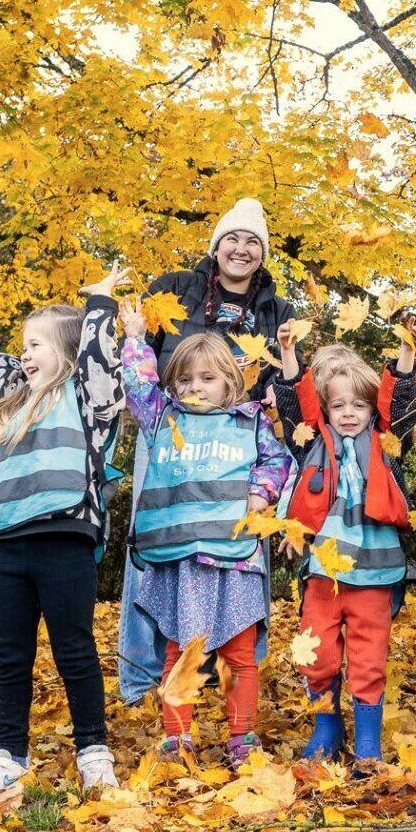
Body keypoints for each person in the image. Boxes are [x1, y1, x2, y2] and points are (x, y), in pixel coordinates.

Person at [119, 198, 295, 706]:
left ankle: (235, 666)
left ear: (262, 253)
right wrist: (133, 341)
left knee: (235, 558)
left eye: (253, 242)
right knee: (157, 553)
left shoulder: (276, 311)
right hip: (172, 443)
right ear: (216, 246)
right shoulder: (176, 288)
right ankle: (142, 677)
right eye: (232, 239)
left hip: (236, 447)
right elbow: (142, 375)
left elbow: (285, 383)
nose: (241, 249)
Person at [0, 266, 128, 796]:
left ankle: (93, 750)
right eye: (23, 345)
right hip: (11, 543)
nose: (23, 354)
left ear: (68, 351)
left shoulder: (88, 398)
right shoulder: (16, 401)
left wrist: (98, 306)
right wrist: (29, 355)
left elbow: (99, 359)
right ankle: (9, 753)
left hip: (65, 538)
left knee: (74, 649)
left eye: (36, 344)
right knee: (10, 654)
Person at [119, 318, 290, 764]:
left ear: (230, 381)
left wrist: (261, 491)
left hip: (233, 558)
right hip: (180, 558)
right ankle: (177, 738)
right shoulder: (162, 418)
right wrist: (135, 339)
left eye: (208, 378)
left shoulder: (249, 422)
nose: (195, 386)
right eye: (185, 378)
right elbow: (138, 383)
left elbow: (277, 460)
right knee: (180, 648)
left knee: (239, 653)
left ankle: (242, 737)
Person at [272, 320, 416, 765]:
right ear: (326, 410)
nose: (350, 412)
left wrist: (407, 354)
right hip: (323, 571)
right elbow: (293, 404)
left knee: (368, 657)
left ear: (373, 409)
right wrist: (288, 354)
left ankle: (368, 741)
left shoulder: (387, 445)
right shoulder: (313, 443)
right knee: (315, 652)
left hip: (375, 571)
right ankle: (327, 726)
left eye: (359, 404)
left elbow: (405, 405)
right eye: (338, 405)